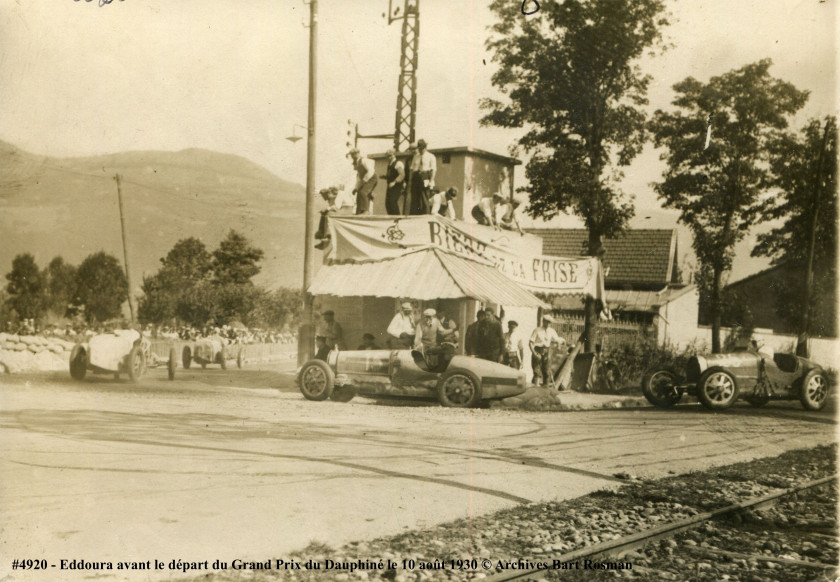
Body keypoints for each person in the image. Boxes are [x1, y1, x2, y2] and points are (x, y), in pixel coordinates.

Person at [529, 315, 566, 387]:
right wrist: (534, 353)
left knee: (546, 371)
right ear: (543, 321)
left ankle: (546, 390)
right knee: (537, 371)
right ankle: (535, 388)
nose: (548, 324)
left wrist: (562, 341)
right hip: (537, 350)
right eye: (547, 322)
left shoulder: (551, 331)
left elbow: (557, 339)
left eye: (550, 323)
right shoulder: (537, 330)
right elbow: (530, 343)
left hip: (546, 351)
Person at [408, 139, 436, 215]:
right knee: (415, 199)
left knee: (424, 199)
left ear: (425, 148)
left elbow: (433, 170)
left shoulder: (431, 156)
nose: (420, 150)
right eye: (419, 148)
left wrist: (431, 181)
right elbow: (412, 169)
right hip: (416, 177)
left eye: (422, 148)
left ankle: (425, 216)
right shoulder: (416, 156)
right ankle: (414, 216)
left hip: (425, 177)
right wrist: (410, 182)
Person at [350, 148, 378, 215]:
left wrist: (365, 180)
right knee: (359, 193)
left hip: (371, 178)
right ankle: (359, 211)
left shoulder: (363, 160)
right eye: (352, 155)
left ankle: (366, 211)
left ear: (357, 153)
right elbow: (359, 177)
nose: (353, 157)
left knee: (364, 192)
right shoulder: (357, 162)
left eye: (354, 154)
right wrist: (356, 188)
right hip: (365, 179)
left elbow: (371, 171)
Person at [381, 148, 405, 215]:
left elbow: (401, 175)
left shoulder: (398, 163)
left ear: (393, 155)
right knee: (387, 203)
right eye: (387, 156)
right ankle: (391, 218)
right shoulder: (390, 164)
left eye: (390, 156)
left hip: (396, 185)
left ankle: (397, 218)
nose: (388, 157)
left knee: (392, 201)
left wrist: (394, 182)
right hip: (390, 185)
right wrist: (385, 177)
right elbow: (391, 175)